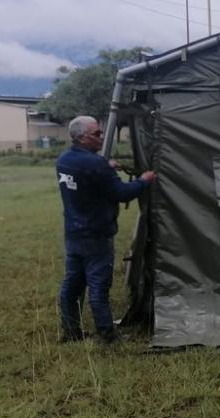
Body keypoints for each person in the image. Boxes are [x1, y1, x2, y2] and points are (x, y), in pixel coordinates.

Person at [56, 116, 156, 343]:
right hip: (97, 234)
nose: (101, 137)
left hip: (73, 232)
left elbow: (86, 176)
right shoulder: (96, 164)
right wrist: (144, 180)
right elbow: (121, 193)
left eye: (101, 133)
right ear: (81, 137)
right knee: (99, 286)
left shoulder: (64, 160)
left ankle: (71, 332)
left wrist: (105, 166)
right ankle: (108, 336)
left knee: (72, 284)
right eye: (96, 134)